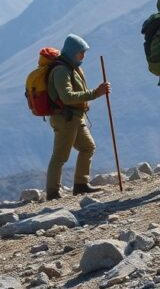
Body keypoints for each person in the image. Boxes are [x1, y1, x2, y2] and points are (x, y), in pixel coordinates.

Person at [46, 34, 111, 200]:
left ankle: (81, 185)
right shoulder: (61, 70)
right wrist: (96, 93)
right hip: (65, 118)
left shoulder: (73, 68)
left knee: (88, 147)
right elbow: (67, 97)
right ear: (72, 52)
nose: (83, 56)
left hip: (75, 117)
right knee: (60, 156)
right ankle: (53, 192)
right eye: (80, 52)